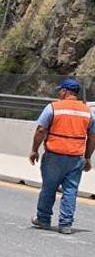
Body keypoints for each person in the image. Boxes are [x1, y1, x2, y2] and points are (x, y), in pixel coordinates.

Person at [29, 78, 94, 235]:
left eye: (60, 90)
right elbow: (92, 137)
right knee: (70, 190)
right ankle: (65, 224)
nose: (59, 92)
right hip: (75, 157)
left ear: (65, 91)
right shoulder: (88, 112)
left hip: (54, 155)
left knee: (49, 188)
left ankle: (43, 219)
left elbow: (40, 130)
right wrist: (87, 157)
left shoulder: (53, 108)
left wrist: (34, 150)